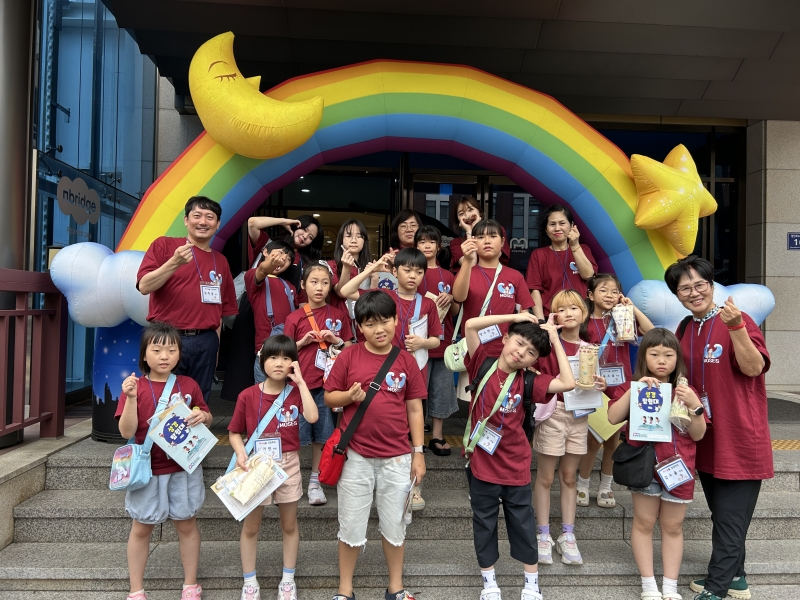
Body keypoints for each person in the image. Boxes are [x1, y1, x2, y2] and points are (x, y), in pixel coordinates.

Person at [664, 256, 771, 600]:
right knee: (724, 514)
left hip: (739, 436)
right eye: (685, 288)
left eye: (700, 284)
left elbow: (754, 368)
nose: (694, 293)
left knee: (729, 518)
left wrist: (737, 328)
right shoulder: (685, 327)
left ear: (711, 286)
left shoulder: (738, 320)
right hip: (704, 436)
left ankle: (716, 588)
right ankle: (737, 577)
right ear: (677, 295)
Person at [462, 311, 575, 600]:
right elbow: (470, 325)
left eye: (531, 352)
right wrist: (515, 315)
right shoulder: (481, 363)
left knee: (524, 526)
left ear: (534, 360)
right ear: (505, 338)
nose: (521, 352)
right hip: (482, 464)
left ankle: (531, 584)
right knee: (484, 524)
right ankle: (489, 583)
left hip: (516, 467)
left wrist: (554, 339)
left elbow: (567, 383)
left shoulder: (529, 381)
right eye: (519, 342)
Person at [324, 291, 427, 600]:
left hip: (397, 457)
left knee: (396, 526)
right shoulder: (349, 356)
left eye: (385, 321)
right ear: (360, 327)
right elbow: (329, 397)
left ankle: (396, 588)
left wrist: (418, 453)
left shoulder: (406, 360)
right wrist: (349, 397)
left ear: (396, 320)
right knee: (351, 526)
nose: (379, 329)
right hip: (355, 456)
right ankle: (345, 590)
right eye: (370, 324)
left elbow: (415, 408)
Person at [607, 328, 709, 600]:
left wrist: (695, 406)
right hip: (645, 466)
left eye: (668, 355)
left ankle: (670, 587)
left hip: (679, 468)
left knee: (673, 526)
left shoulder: (686, 391)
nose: (662, 360)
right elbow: (613, 417)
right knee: (643, 522)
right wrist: (636, 388)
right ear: (644, 357)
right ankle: (649, 584)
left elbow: (698, 434)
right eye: (654, 354)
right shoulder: (633, 387)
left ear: (678, 358)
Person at [117, 322, 213, 600]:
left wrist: (204, 416)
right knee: (141, 528)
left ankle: (190, 585)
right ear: (144, 354)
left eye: (172, 350)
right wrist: (131, 399)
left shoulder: (189, 385)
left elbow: (205, 416)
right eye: (157, 350)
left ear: (179, 354)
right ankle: (136, 590)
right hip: (147, 470)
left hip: (183, 468)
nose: (164, 356)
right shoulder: (135, 386)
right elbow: (125, 432)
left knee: (187, 525)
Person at [228, 335, 319, 600]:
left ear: (294, 363)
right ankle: (249, 582)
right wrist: (241, 453)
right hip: (256, 464)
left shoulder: (296, 392)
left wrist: (301, 382)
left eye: (286, 357)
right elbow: (234, 432)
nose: (279, 363)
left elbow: (312, 416)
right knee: (251, 527)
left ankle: (288, 580)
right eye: (273, 357)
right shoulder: (247, 395)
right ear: (262, 361)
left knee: (289, 525)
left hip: (288, 463)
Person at [137, 196, 238, 404]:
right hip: (167, 337)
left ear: (218, 224)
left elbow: (219, 312)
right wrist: (174, 262)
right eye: (197, 215)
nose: (203, 222)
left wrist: (215, 348)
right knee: (162, 397)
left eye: (210, 217)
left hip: (206, 340)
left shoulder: (220, 260)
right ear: (186, 220)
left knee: (198, 399)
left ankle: (194, 428)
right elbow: (144, 286)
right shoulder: (164, 245)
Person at [533, 289, 607, 566]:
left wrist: (601, 384)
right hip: (554, 412)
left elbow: (597, 380)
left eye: (573, 308)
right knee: (545, 477)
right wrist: (552, 337)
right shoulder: (547, 344)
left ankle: (568, 534)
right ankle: (542, 534)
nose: (568, 313)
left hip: (580, 414)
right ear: (553, 315)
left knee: (569, 477)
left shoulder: (590, 347)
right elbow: (534, 372)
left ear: (584, 312)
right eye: (561, 309)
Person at [577, 274, 654, 509]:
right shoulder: (582, 321)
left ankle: (605, 486)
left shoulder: (623, 318)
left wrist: (632, 307)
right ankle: (582, 484)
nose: (610, 295)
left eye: (614, 291)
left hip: (620, 385)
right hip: (592, 384)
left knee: (613, 439)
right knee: (592, 438)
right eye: (603, 290)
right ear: (590, 295)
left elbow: (650, 333)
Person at [284, 264, 353, 506]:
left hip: (328, 387)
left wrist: (337, 340)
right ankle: (291, 481)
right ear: (303, 284)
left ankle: (315, 482)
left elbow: (350, 349)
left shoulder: (339, 315)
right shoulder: (294, 317)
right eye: (313, 282)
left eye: (325, 283)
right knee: (294, 436)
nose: (319, 287)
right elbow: (283, 354)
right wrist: (301, 343)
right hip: (299, 386)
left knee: (322, 437)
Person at [452, 219, 534, 359]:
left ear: (502, 242)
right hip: (473, 349)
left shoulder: (515, 276)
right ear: (473, 242)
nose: (487, 241)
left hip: (507, 350)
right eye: (480, 237)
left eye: (493, 236)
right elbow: (458, 297)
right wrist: (467, 260)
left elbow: (523, 314)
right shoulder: (466, 271)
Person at [415, 226, 459, 456]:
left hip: (443, 340)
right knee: (417, 390)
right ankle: (416, 437)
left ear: (439, 246)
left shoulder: (448, 276)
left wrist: (451, 299)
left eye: (431, 241)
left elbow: (455, 312)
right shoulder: (412, 272)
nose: (427, 245)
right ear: (416, 246)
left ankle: (438, 436)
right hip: (416, 342)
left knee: (441, 389)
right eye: (422, 241)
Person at [526, 205, 597, 320]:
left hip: (582, 317)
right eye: (552, 224)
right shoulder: (539, 254)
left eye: (562, 223)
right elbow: (534, 290)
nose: (557, 228)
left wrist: (575, 246)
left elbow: (588, 275)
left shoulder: (583, 249)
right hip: (551, 318)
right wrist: (541, 321)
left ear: (572, 226)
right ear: (546, 229)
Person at [245, 239, 297, 383]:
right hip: (266, 350)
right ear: (265, 252)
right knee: (264, 390)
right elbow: (262, 270)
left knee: (288, 392)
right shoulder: (253, 276)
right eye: (280, 253)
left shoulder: (290, 286)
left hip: (289, 349)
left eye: (287, 259)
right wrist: (272, 263)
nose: (282, 259)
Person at [247, 214, 323, 294]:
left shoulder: (306, 263)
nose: (305, 236)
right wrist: (283, 221)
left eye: (310, 237)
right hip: (254, 296)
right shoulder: (268, 244)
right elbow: (252, 223)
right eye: (304, 229)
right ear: (296, 226)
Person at [328, 219, 374, 339]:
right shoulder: (331, 265)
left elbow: (373, 298)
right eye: (349, 236)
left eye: (359, 236)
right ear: (341, 240)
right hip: (340, 323)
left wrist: (374, 278)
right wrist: (346, 267)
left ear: (364, 241)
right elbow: (341, 292)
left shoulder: (369, 267)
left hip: (365, 322)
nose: (354, 240)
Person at [448, 196, 511, 273]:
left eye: (470, 210)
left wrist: (477, 227)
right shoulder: (456, 243)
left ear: (480, 212)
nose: (467, 216)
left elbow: (492, 258)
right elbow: (471, 266)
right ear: (458, 220)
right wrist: (470, 232)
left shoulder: (497, 231)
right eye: (461, 214)